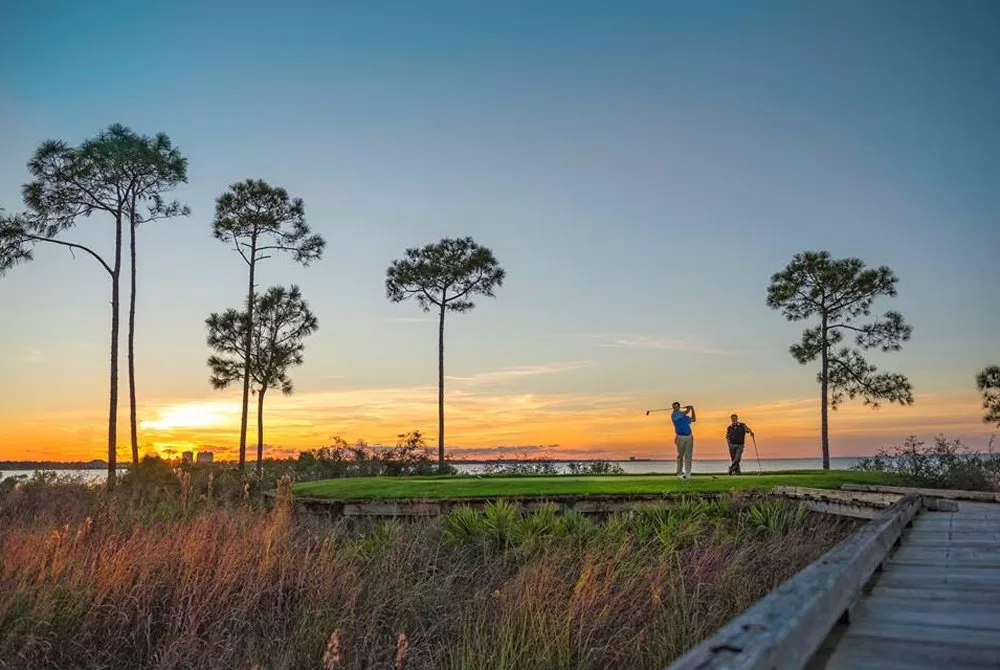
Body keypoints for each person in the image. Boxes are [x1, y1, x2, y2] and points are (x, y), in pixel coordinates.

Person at [670, 401, 696, 479]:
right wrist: (689, 408)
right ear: (673, 408)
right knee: (680, 456)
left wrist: (693, 410)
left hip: (689, 437)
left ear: (679, 407)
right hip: (680, 437)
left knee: (688, 456)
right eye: (674, 406)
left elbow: (694, 419)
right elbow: (686, 412)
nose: (675, 408)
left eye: (677, 406)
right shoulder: (674, 415)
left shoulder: (684, 416)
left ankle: (688, 474)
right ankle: (679, 474)